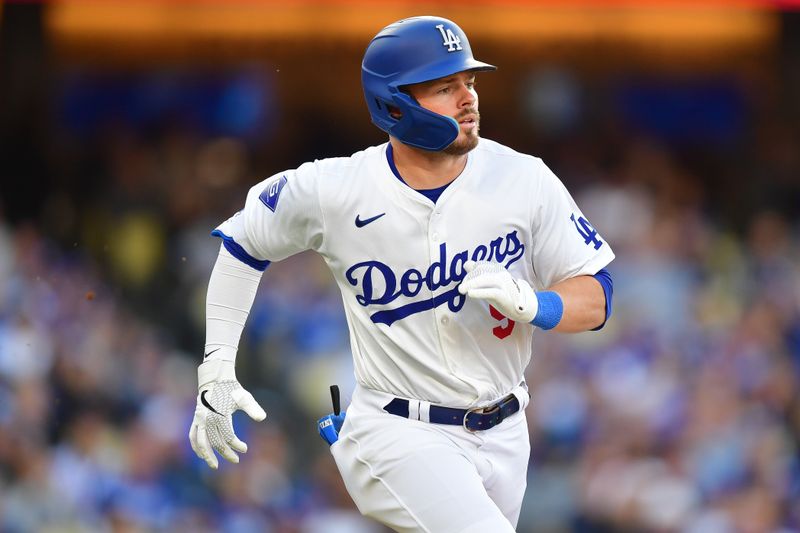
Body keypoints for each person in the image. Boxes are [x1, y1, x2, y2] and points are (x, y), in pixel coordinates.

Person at [189, 15, 615, 532]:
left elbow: (599, 295)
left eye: (470, 82)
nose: (468, 99)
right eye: (446, 86)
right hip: (398, 430)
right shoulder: (335, 189)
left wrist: (538, 305)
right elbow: (242, 245)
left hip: (506, 429)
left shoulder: (523, 177)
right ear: (395, 103)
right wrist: (216, 368)